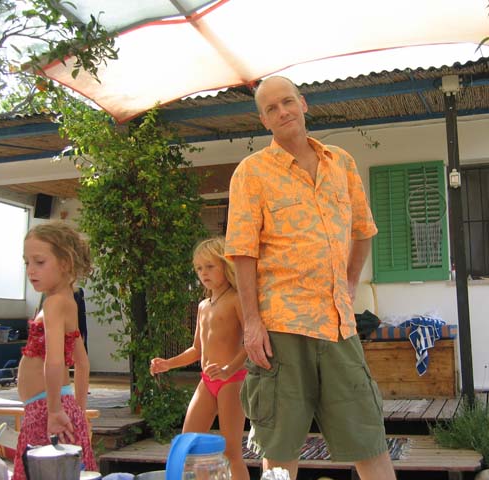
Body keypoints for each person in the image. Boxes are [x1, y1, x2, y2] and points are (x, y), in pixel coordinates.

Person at [225, 76, 396, 480]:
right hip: (281, 329)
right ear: (264, 120)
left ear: (303, 103)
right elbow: (243, 252)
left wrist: (350, 283)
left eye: (287, 102)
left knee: (370, 441)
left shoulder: (341, 163)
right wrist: (252, 323)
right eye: (271, 108)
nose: (282, 111)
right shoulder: (251, 172)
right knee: (279, 449)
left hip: (338, 327)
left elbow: (363, 229)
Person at [150, 237, 249, 480]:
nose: (203, 273)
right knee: (188, 444)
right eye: (199, 268)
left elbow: (251, 343)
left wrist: (228, 369)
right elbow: (196, 350)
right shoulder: (204, 305)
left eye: (210, 266)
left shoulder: (237, 299)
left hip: (233, 380)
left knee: (231, 452)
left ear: (226, 265)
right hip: (207, 380)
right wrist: (168, 364)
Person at [14, 222, 97, 479]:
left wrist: (53, 411)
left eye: (39, 262)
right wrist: (79, 413)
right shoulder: (68, 301)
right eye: (27, 262)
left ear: (65, 263)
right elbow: (82, 363)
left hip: (46, 409)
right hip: (57, 405)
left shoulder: (53, 304)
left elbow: (54, 361)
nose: (31, 270)